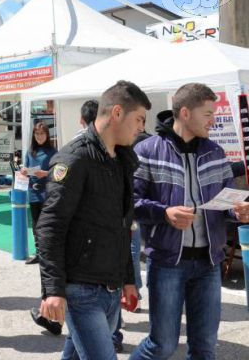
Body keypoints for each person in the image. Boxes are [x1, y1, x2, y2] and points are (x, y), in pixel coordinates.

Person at [130, 83, 249, 359]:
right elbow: (130, 203)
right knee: (163, 345)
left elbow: (227, 201)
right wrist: (164, 213)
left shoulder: (216, 152)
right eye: (208, 114)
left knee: (205, 348)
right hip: (167, 261)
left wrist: (238, 211)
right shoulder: (147, 151)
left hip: (209, 263)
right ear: (185, 112)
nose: (214, 120)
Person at [37, 81, 150, 359]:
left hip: (110, 289)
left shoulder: (122, 160)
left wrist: (127, 279)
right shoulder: (75, 158)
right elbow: (50, 226)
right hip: (81, 291)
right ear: (117, 113)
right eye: (139, 119)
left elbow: (121, 227)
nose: (141, 128)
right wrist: (53, 290)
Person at [23, 122, 57, 265]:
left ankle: (49, 253)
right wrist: (25, 172)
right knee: (36, 224)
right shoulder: (30, 151)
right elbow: (25, 170)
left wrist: (45, 173)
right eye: (37, 134)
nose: (39, 136)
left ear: (47, 134)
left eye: (42, 133)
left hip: (47, 193)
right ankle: (39, 253)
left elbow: (58, 172)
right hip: (33, 192)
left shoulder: (53, 152)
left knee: (47, 224)